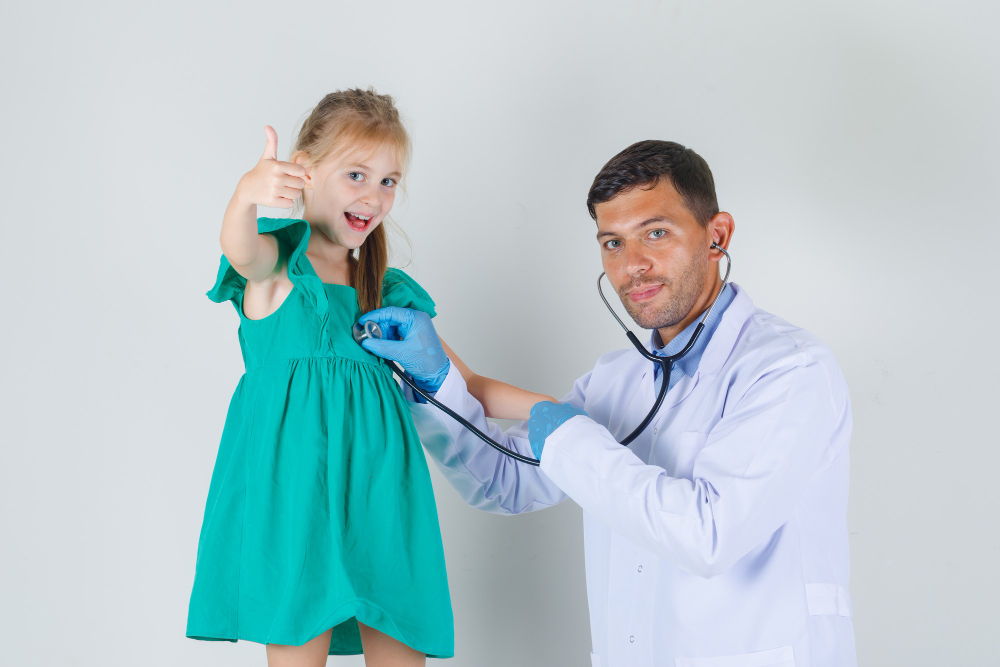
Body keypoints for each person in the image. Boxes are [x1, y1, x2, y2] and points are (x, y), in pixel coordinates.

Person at [359, 140, 857, 666]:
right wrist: (435, 384)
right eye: (612, 243)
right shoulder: (615, 380)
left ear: (717, 236)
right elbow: (503, 482)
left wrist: (573, 437)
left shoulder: (789, 370)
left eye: (656, 234)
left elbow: (711, 536)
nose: (633, 266)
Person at [185, 88, 554, 667]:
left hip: (385, 492)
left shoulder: (387, 292)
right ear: (303, 170)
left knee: (403, 643)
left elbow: (467, 385)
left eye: (388, 181)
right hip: (294, 496)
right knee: (296, 647)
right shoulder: (279, 268)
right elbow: (241, 250)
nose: (375, 195)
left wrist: (556, 409)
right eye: (357, 174)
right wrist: (245, 196)